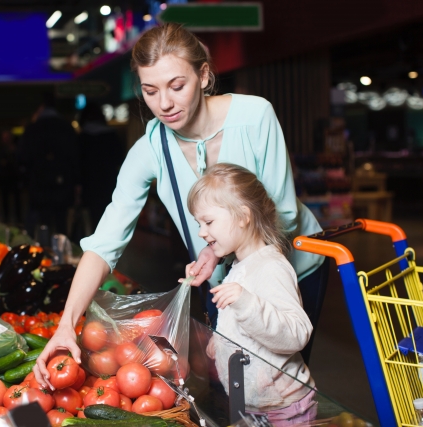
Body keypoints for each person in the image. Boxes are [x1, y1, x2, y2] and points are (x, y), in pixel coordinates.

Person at [33, 23, 324, 387]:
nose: (164, 104)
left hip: (290, 265)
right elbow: (105, 242)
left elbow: (282, 214)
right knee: (236, 387)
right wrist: (65, 324)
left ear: (203, 75)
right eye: (150, 91)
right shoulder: (151, 149)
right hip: (224, 280)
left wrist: (216, 254)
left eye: (177, 86)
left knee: (280, 383)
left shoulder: (255, 117)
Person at [185, 163, 315, 424]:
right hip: (253, 403)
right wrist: (221, 343)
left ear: (244, 216)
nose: (201, 232)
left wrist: (246, 303)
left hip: (286, 409)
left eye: (208, 221)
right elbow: (244, 328)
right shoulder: (239, 265)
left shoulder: (271, 267)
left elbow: (297, 333)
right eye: (199, 223)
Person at [18, 93, 80, 237]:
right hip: (62, 184)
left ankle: (44, 255)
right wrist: (76, 182)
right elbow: (75, 157)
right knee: (61, 223)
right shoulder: (66, 127)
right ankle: (62, 254)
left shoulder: (33, 128)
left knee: (42, 224)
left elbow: (23, 157)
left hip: (39, 184)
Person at [77, 102, 125, 230]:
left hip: (90, 184)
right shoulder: (111, 135)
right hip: (109, 182)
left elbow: (78, 164)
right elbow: (120, 159)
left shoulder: (83, 137)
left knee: (93, 220)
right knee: (110, 217)